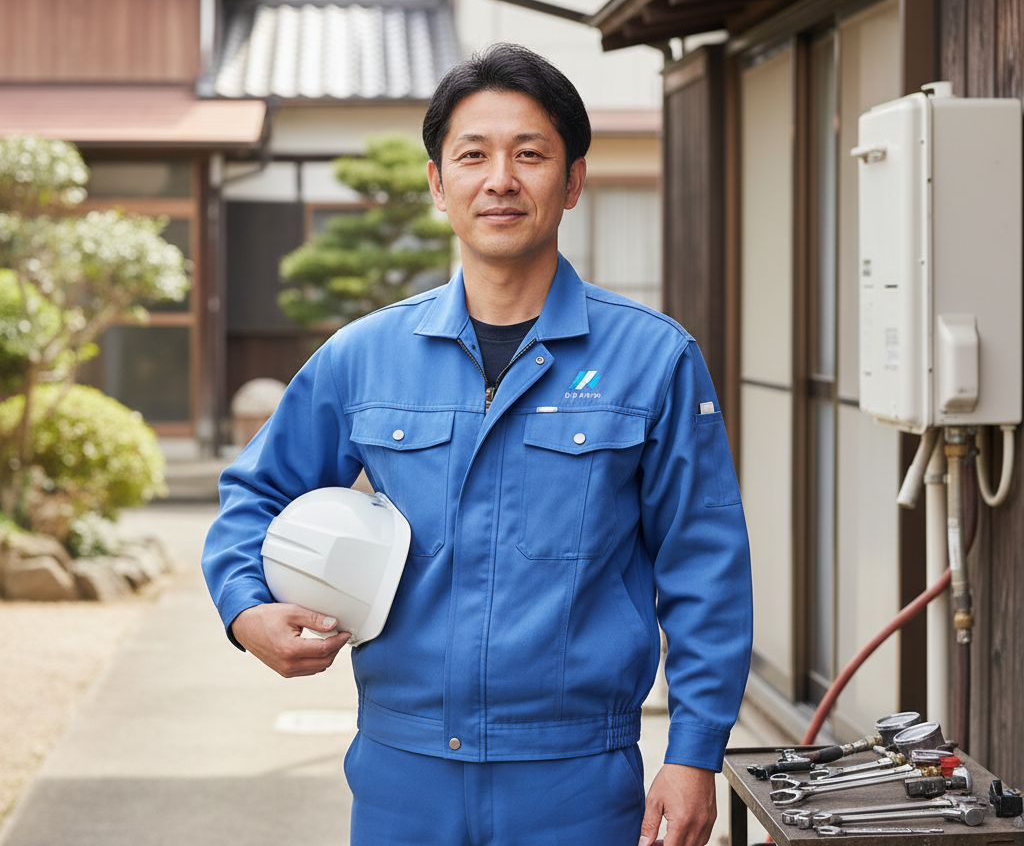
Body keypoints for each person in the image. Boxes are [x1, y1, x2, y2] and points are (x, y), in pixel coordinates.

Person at [202, 43, 753, 846]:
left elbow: (705, 563)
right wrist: (247, 608)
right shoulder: (364, 356)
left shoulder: (653, 359)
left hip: (578, 776)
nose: (501, 178)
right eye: (473, 155)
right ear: (438, 183)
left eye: (529, 154)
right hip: (401, 770)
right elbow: (255, 494)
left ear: (571, 181)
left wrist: (695, 751)